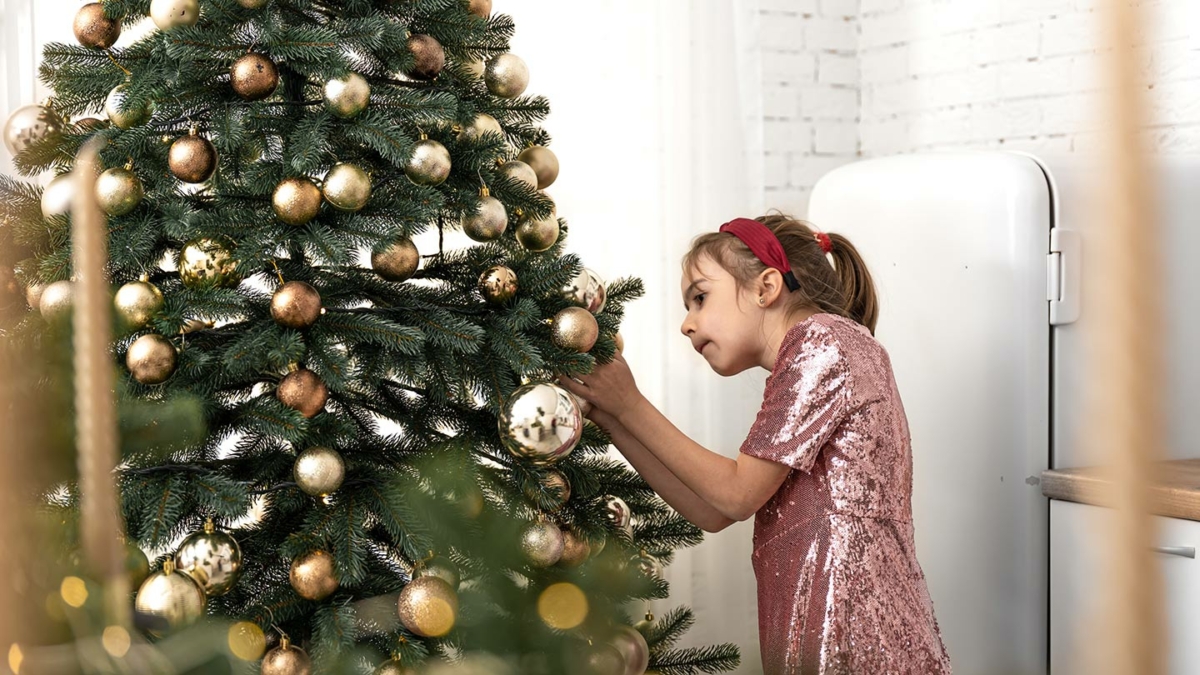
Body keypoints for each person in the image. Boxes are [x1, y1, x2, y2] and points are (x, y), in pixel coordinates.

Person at [556, 215, 952, 674]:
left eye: (700, 298)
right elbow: (713, 509)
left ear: (766, 288)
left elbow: (735, 494)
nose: (687, 324)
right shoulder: (821, 350)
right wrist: (612, 413)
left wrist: (630, 404)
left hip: (851, 626)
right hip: (824, 620)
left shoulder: (822, 342)